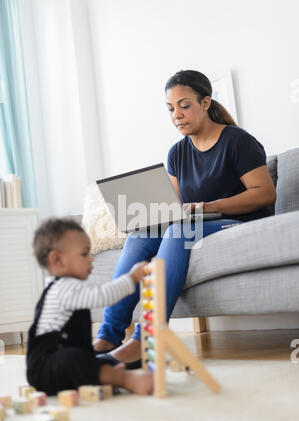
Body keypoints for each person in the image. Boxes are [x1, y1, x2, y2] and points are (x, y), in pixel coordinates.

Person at [93, 69, 276, 364]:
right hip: (197, 222)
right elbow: (174, 207)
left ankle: (146, 339)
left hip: (242, 221)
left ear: (205, 103)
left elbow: (265, 194)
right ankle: (109, 334)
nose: (176, 114)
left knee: (180, 233)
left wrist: (209, 206)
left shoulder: (238, 141)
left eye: (184, 105)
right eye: (170, 109)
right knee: (141, 237)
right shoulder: (177, 152)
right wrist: (148, 217)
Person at [26, 218, 153, 396]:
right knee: (76, 360)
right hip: (46, 368)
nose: (91, 259)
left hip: (64, 363)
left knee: (93, 360)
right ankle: (126, 380)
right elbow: (102, 295)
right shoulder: (63, 289)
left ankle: (107, 374)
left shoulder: (68, 286)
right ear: (57, 260)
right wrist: (130, 278)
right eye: (84, 254)